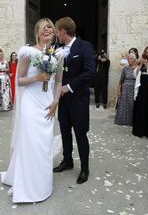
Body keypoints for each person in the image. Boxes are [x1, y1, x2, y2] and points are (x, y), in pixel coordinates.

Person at [1, 18, 63, 203]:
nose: (47, 30)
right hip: (30, 102)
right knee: (31, 143)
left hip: (46, 102)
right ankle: (27, 186)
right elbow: (18, 80)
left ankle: (42, 185)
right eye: (43, 27)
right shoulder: (28, 53)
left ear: (54, 32)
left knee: (43, 144)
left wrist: (55, 101)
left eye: (50, 27)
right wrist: (37, 77)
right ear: (37, 32)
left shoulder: (58, 55)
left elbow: (58, 81)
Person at [53, 17, 95, 184]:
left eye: (57, 32)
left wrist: (68, 87)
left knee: (80, 134)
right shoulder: (58, 49)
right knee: (64, 132)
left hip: (78, 100)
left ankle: (85, 168)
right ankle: (67, 161)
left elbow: (90, 72)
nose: (56, 35)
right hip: (63, 101)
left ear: (63, 31)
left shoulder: (85, 47)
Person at [114, 53, 137, 126]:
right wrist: (119, 91)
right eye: (128, 59)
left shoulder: (137, 69)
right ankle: (123, 121)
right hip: (125, 90)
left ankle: (131, 122)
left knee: (132, 105)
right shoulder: (125, 68)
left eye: (131, 59)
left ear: (134, 60)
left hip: (134, 89)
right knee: (124, 106)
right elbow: (121, 81)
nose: (129, 60)